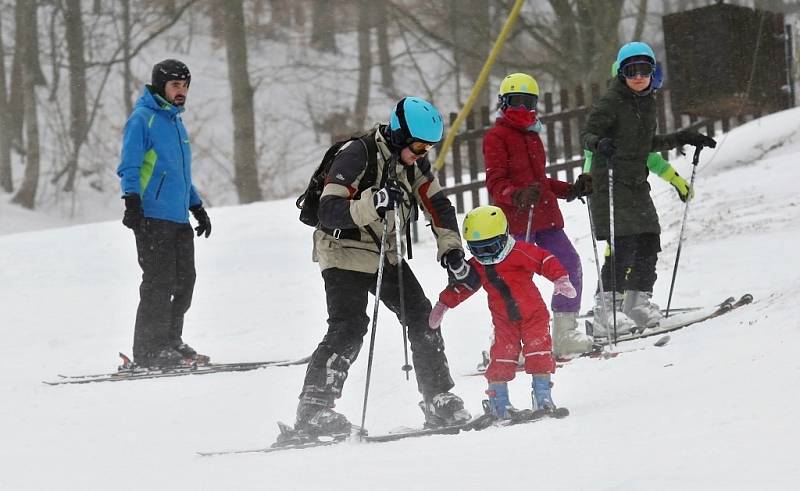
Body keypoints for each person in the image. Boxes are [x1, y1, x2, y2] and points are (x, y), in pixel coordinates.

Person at [289, 96, 479, 439]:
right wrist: (374, 201)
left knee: (423, 316)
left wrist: (451, 251)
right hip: (342, 248)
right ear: (398, 134)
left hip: (383, 252)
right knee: (349, 325)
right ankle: (313, 409)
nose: (422, 154)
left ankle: (438, 396)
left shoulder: (413, 164)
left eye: (428, 148)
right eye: (418, 145)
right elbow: (329, 209)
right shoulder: (357, 154)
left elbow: (438, 206)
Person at [580, 41, 716, 334]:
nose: (638, 76)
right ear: (622, 74)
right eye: (631, 70)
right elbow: (587, 133)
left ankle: (636, 304)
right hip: (611, 182)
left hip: (635, 184)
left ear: (652, 72)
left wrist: (682, 137)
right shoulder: (612, 101)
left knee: (648, 241)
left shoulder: (647, 102)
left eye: (644, 69)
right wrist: (599, 143)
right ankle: (606, 313)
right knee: (623, 246)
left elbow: (645, 144)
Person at [483, 72, 593, 358]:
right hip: (518, 222)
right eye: (515, 102)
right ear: (503, 104)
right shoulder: (496, 137)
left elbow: (540, 181)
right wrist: (516, 195)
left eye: (528, 102)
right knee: (518, 280)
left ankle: (564, 332)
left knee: (568, 266)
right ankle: (512, 340)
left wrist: (569, 189)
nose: (522, 108)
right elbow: (496, 183)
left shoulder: (533, 135)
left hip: (546, 218)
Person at [428, 205, 576, 419]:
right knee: (501, 358)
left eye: (491, 247)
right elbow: (464, 286)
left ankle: (543, 397)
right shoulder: (477, 265)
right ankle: (499, 403)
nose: (485, 255)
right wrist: (444, 304)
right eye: (478, 250)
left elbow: (544, 260)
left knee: (539, 354)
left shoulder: (519, 252)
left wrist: (560, 279)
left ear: (504, 236)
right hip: (504, 322)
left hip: (534, 316)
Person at [116, 59, 212, 368]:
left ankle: (170, 340)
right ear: (161, 87)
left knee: (185, 281)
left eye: (185, 86)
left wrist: (196, 206)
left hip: (178, 218)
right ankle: (148, 350)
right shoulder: (143, 120)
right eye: (175, 86)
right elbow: (129, 165)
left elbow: (179, 174)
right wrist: (132, 201)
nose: (181, 91)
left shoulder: (175, 122)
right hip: (152, 216)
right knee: (159, 283)